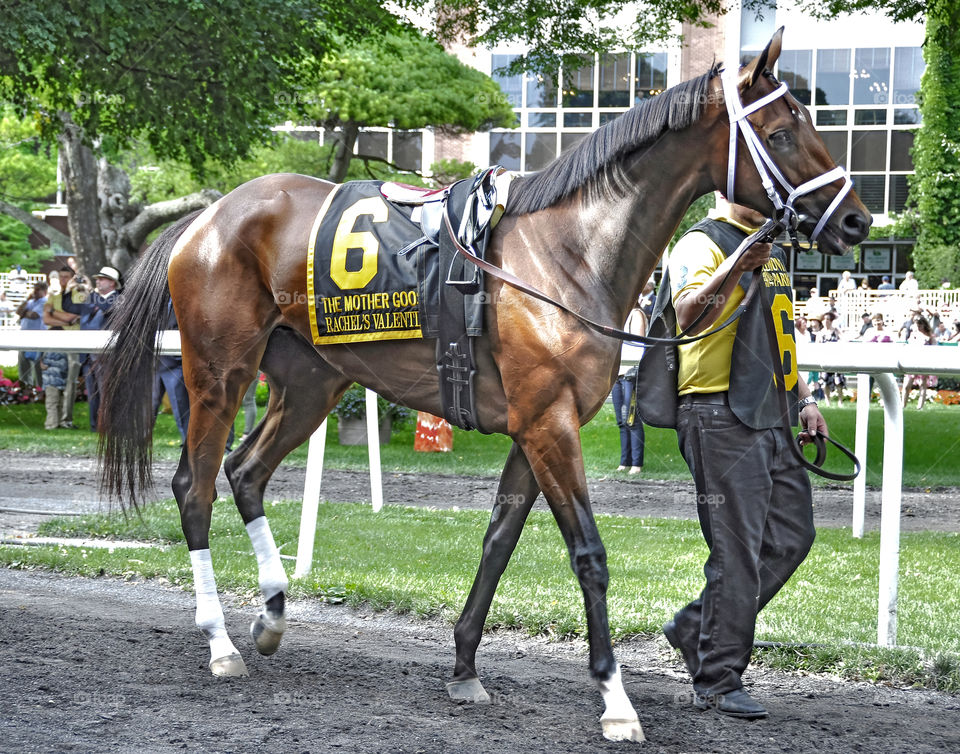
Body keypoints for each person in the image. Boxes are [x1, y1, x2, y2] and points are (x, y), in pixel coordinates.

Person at [641, 199, 827, 720]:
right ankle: (717, 678)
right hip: (717, 414)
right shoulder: (700, 243)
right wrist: (734, 264)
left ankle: (694, 626)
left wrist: (805, 398)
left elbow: (777, 334)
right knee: (736, 551)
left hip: (773, 412)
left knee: (792, 536)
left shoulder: (770, 253)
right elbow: (687, 314)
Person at [61, 265, 122, 431]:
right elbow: (69, 307)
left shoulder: (119, 299)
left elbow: (106, 309)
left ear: (112, 283)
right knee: (92, 392)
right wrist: (68, 289)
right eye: (97, 279)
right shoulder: (91, 298)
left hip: (105, 355)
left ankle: (108, 425)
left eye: (101, 279)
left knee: (106, 392)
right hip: (88, 355)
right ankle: (95, 426)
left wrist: (90, 291)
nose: (98, 281)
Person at [43, 266, 82, 428]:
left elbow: (72, 316)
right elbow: (46, 319)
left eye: (66, 277)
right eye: (61, 277)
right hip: (53, 341)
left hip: (72, 341)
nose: (63, 280)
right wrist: (63, 320)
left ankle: (66, 420)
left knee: (70, 382)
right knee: (52, 380)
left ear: (73, 278)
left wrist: (54, 312)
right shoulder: (54, 296)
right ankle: (53, 420)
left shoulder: (79, 296)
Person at [611, 299, 646, 474]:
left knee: (632, 419)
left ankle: (637, 464)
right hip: (617, 374)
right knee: (621, 420)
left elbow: (638, 344)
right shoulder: (621, 316)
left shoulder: (636, 315)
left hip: (630, 374)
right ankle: (624, 461)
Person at [152, 302, 190, 444]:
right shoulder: (154, 297)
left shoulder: (183, 297)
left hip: (175, 363)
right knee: (148, 405)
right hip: (155, 360)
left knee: (180, 405)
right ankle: (139, 442)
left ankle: (188, 443)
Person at [15, 281, 48, 387]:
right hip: (24, 338)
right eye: (35, 288)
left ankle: (39, 388)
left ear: (44, 291)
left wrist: (23, 314)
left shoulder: (45, 302)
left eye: (38, 289)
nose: (35, 291)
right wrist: (27, 300)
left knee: (38, 365)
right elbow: (18, 311)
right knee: (23, 365)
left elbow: (34, 315)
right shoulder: (30, 302)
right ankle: (25, 388)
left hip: (38, 338)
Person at [902, 316, 938, 410]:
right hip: (912, 361)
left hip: (924, 361)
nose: (918, 327)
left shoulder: (929, 336)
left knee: (922, 384)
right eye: (917, 325)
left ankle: (920, 406)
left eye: (920, 325)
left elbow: (934, 347)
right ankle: (903, 404)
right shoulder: (913, 334)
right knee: (907, 385)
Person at [817, 311, 846, 406]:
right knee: (825, 381)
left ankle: (840, 401)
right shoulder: (820, 333)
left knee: (838, 381)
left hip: (836, 359)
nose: (826, 321)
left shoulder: (836, 330)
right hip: (825, 360)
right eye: (824, 319)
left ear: (831, 321)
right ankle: (827, 401)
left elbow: (844, 340)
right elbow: (817, 346)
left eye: (828, 319)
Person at [40, 348, 70, 430]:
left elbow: (45, 363)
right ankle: (59, 422)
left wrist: (41, 362)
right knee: (59, 402)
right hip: (62, 378)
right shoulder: (65, 348)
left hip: (51, 378)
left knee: (51, 402)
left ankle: (51, 424)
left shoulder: (50, 347)